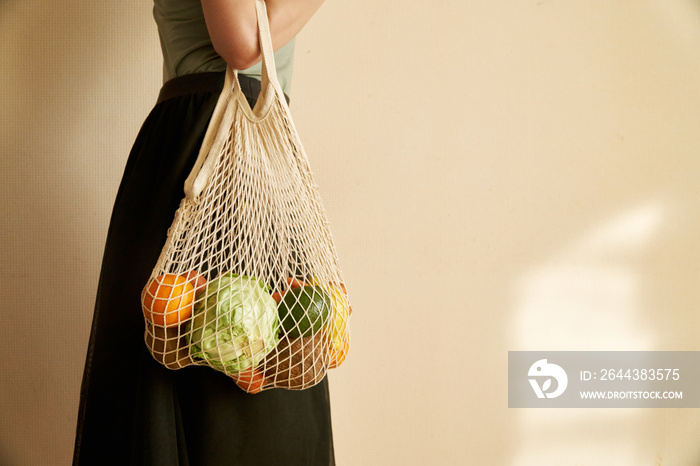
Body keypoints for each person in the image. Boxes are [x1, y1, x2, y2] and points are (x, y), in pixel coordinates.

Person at [73, 1, 334, 464]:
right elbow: (242, 43)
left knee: (264, 379)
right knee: (227, 405)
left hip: (239, 152)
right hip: (211, 153)